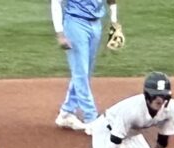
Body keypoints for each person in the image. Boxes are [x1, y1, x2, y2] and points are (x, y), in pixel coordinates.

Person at [49, 0, 124, 131]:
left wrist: (114, 21)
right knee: (81, 73)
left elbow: (111, 0)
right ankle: (91, 118)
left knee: (85, 71)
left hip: (96, 25)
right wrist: (60, 33)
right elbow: (56, 2)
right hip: (75, 24)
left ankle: (66, 112)